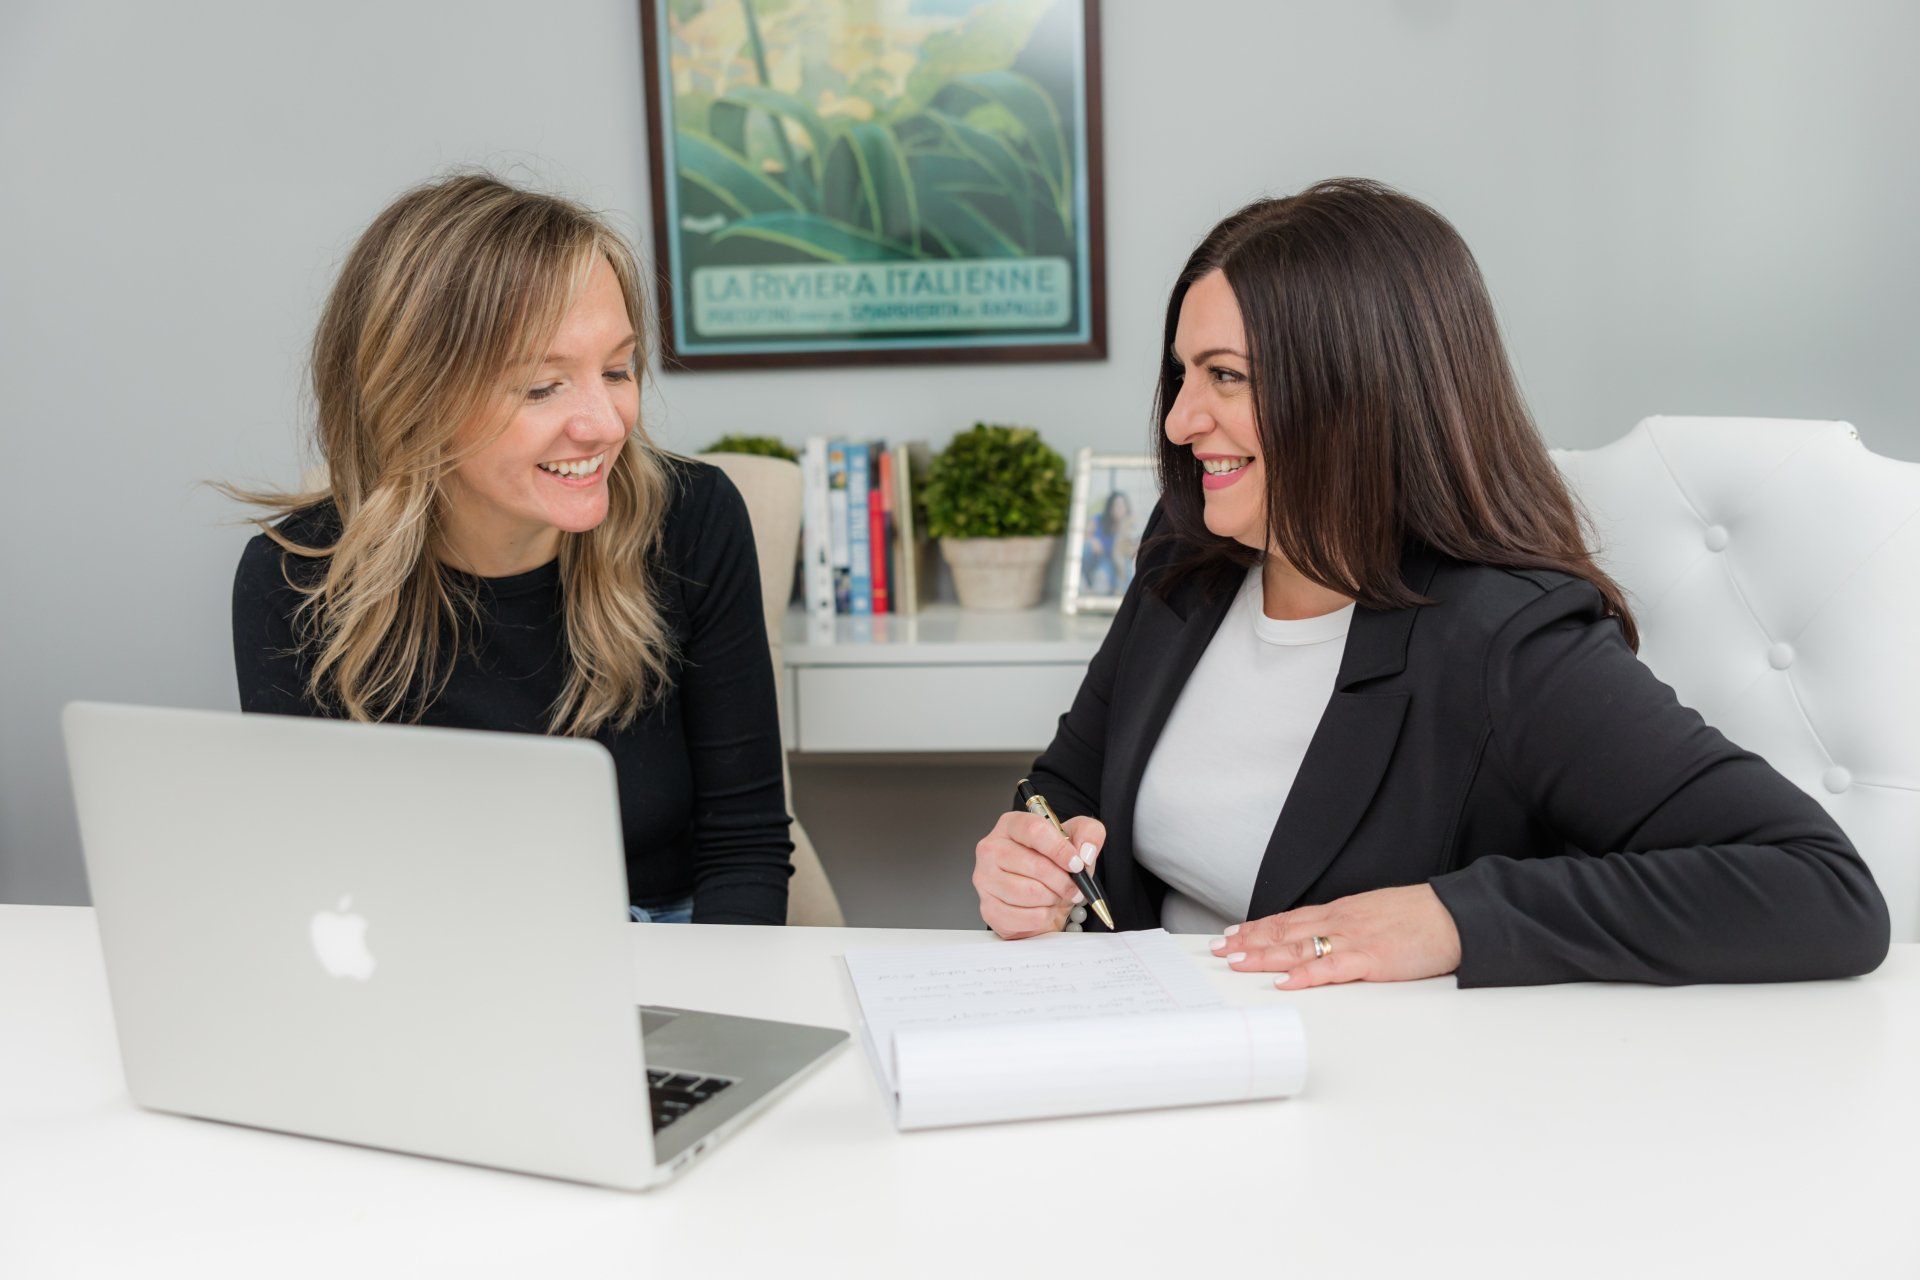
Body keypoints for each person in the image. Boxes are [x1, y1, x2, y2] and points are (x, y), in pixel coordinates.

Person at [971, 179, 1890, 987]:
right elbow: (1067, 789)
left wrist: (1454, 918)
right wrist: (1028, 864)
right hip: (1154, 1065)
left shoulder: (1505, 637)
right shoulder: (1187, 559)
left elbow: (1820, 886)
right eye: (1181, 375)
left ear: (1354, 396)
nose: (1178, 420)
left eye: (1225, 378)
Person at [229, 174, 792, 925]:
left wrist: (711, 1022)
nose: (603, 423)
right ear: (413, 398)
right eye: (541, 387)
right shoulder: (296, 577)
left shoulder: (693, 521)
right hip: (427, 958)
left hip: (667, 948)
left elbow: (744, 847)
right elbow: (320, 883)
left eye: (618, 370)